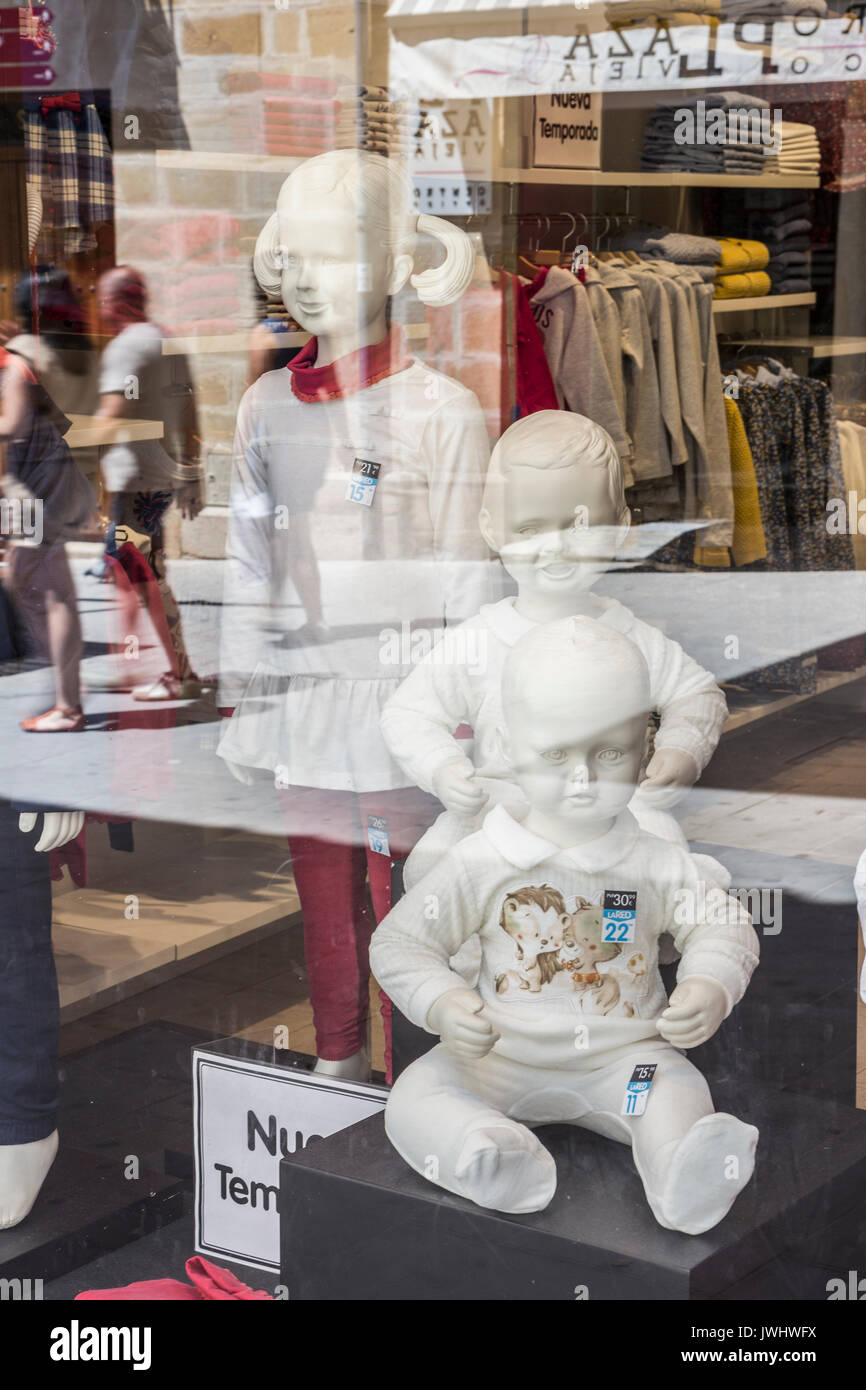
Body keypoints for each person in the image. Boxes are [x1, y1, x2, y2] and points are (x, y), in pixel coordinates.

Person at [218, 150, 495, 1082]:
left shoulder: (441, 413)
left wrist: (473, 723)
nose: (306, 281)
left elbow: (468, 576)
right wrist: (245, 696)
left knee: (410, 891)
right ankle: (337, 1056)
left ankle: (418, 1071)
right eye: (294, 258)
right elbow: (251, 563)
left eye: (331, 256)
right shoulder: (263, 406)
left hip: (405, 698)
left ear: (389, 264)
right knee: (321, 894)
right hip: (308, 691)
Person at [370, 617, 760, 1233]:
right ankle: (486, 1149)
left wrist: (709, 983)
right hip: (496, 1062)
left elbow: (724, 927)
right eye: (555, 754)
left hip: (625, 1067)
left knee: (669, 1096)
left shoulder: (654, 863)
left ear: (646, 750)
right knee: (416, 1100)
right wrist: (442, 1003)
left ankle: (685, 1169)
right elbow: (400, 941)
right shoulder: (481, 860)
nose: (582, 778)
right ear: (510, 749)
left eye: (608, 753)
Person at [381, 410, 728, 895]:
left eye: (580, 526)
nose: (556, 548)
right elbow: (409, 713)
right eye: (528, 530)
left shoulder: (629, 635)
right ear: (490, 528)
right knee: (433, 870)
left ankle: (635, 951)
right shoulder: (480, 640)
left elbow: (698, 694)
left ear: (622, 527)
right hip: (502, 811)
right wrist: (444, 767)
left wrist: (681, 750)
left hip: (610, 813)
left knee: (663, 851)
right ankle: (469, 962)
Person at [88, 265, 203, 701]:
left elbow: (111, 414)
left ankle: (179, 675)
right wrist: (190, 472)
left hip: (135, 484)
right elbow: (189, 413)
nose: (97, 308)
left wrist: (65, 452)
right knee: (129, 575)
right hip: (156, 479)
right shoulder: (165, 341)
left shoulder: (127, 348)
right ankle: (133, 664)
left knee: (147, 579)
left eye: (101, 300)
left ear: (115, 303)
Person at [0, 341, 94, 732]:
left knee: (51, 589)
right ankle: (67, 687)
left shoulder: (14, 369)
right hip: (31, 489)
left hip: (37, 492)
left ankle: (68, 704)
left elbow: (12, 426)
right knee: (30, 580)